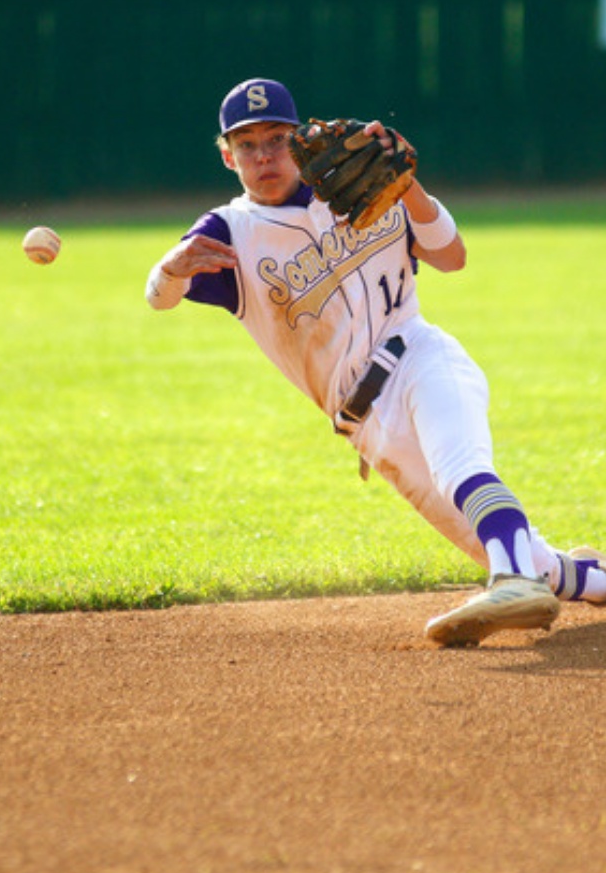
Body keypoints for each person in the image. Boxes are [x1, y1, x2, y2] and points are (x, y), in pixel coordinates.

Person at [145, 76, 605, 646]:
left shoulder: (363, 186)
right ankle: (566, 575)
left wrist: (409, 188)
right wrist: (171, 267)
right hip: (367, 428)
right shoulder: (229, 233)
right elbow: (158, 298)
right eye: (247, 144)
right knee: (537, 563)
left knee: (459, 467)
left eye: (277, 138)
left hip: (418, 357)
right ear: (226, 155)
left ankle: (510, 580)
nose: (264, 155)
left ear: (301, 137)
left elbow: (453, 257)